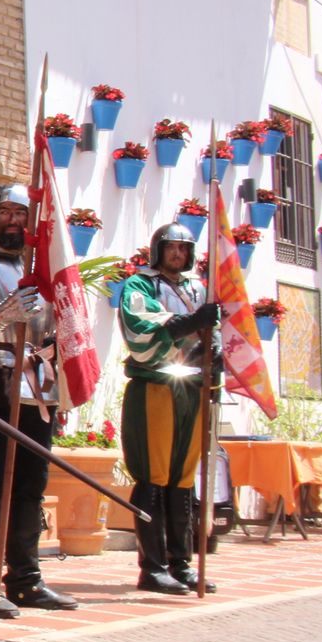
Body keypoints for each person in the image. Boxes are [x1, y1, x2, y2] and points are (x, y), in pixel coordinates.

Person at [0, 185, 78, 617]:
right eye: (6, 212)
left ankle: (26, 579)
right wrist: (4, 316)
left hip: (41, 388)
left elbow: (62, 334)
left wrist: (65, 389)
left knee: (32, 486)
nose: (13, 220)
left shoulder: (48, 273)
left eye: (21, 213)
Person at [117, 222, 220, 596]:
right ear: (158, 249)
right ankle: (153, 567)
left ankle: (182, 563)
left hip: (191, 387)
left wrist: (216, 349)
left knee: (182, 479)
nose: (178, 254)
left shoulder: (197, 289)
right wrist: (191, 322)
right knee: (154, 476)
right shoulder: (141, 284)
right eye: (171, 247)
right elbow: (139, 324)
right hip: (155, 385)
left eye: (183, 248)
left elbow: (214, 333)